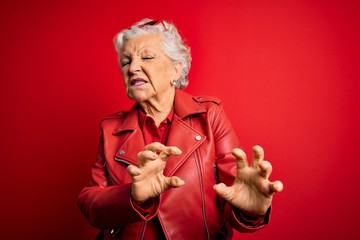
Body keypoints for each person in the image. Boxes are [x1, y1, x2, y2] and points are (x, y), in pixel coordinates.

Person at [78, 18, 283, 240]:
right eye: (126, 62)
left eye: (146, 57)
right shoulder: (111, 129)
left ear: (176, 69)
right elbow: (90, 203)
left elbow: (236, 192)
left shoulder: (210, 115)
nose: (133, 67)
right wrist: (132, 196)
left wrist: (251, 210)